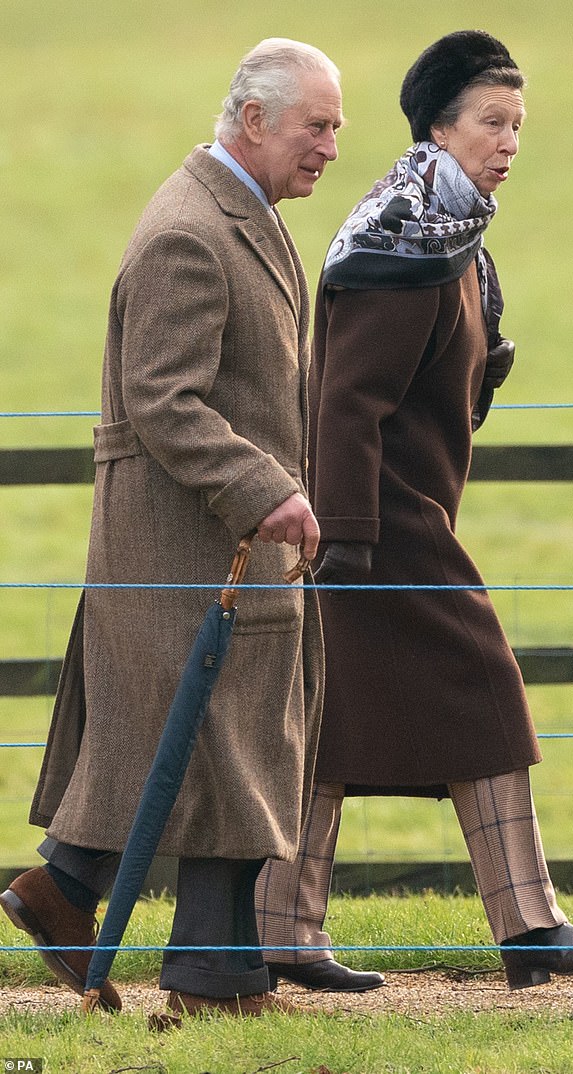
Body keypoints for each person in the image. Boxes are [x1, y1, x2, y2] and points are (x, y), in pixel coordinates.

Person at [255, 30, 573, 994]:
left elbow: (436, 373)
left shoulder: (446, 228)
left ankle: (281, 937)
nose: (510, 141)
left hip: (396, 515)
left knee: (330, 722)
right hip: (379, 525)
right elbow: (346, 402)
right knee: (488, 693)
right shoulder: (404, 240)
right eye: (491, 122)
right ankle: (531, 929)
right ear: (438, 126)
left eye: (518, 124)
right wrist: (346, 537)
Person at [0, 38, 343, 1023]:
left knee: (214, 753)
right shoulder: (189, 233)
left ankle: (135, 932)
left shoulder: (248, 214)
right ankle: (192, 966)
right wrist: (263, 491)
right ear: (253, 122)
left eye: (334, 125)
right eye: (315, 125)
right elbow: (164, 397)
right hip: (185, 547)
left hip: (215, 550)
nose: (329, 144)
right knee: (210, 749)